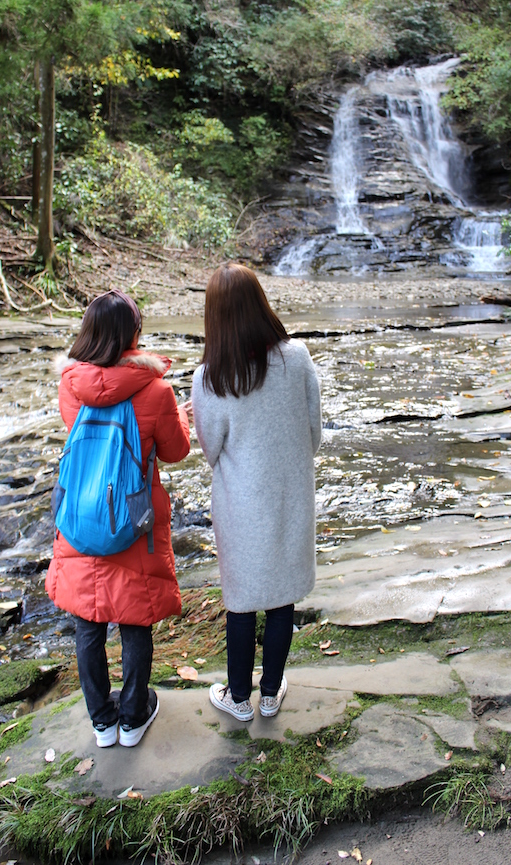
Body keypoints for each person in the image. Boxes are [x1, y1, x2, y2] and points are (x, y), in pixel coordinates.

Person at [45, 290, 191, 747]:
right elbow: (175, 451)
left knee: (87, 621)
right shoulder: (156, 388)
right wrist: (180, 419)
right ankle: (133, 716)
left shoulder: (71, 385)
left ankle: (101, 722)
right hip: (131, 515)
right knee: (133, 618)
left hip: (82, 511)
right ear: (133, 334)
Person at [191, 263, 321, 720]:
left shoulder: (209, 377)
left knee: (241, 603)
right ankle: (270, 694)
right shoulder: (298, 359)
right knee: (282, 597)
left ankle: (238, 699)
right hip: (289, 494)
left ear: (216, 317)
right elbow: (314, 434)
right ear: (260, 303)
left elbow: (210, 450)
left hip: (239, 503)